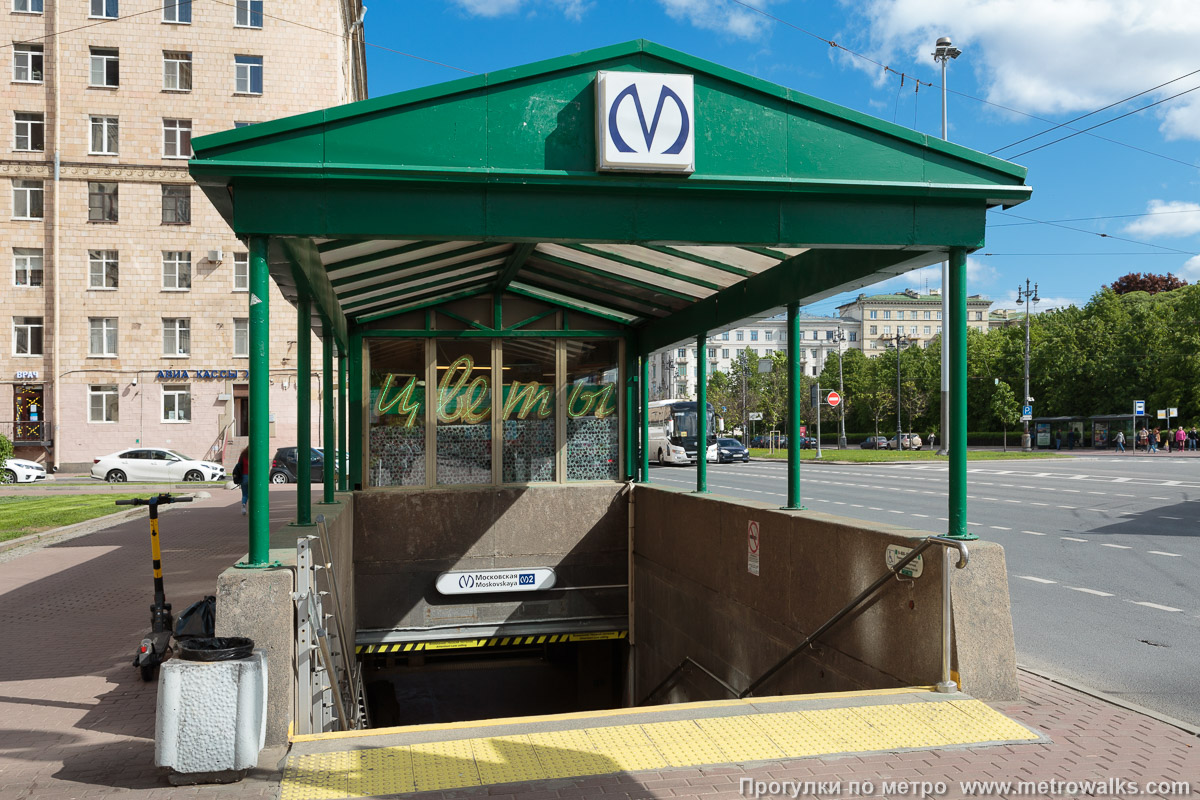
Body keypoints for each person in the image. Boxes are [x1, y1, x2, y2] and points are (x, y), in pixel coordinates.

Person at [232, 446, 250, 515]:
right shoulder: (255, 455)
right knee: (253, 493)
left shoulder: (243, 456)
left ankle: (243, 506)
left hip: (244, 476)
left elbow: (239, 465)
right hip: (253, 477)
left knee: (244, 494)